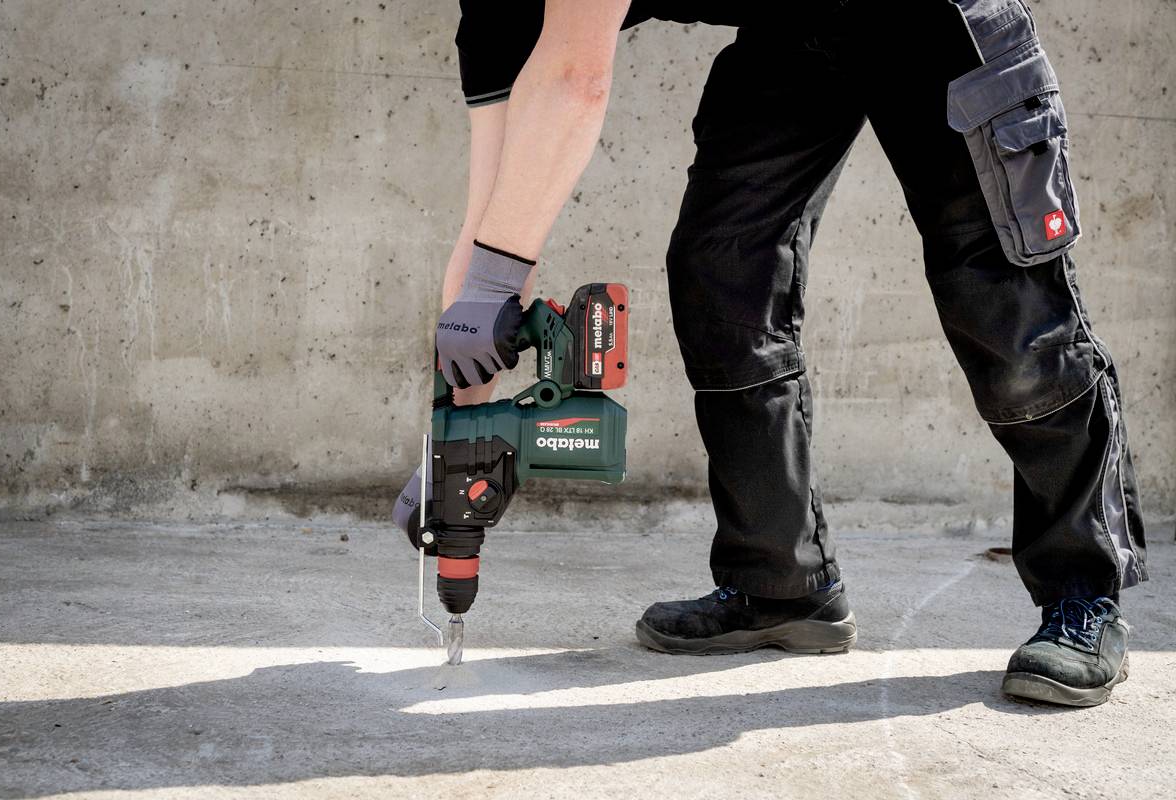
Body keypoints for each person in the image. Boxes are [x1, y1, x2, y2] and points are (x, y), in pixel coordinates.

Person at [394, 0, 1147, 707]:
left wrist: (494, 284)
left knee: (1005, 313)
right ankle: (780, 581)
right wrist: (458, 439)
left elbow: (574, 82)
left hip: (931, 18)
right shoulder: (489, 11)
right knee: (722, 272)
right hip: (795, 23)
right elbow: (488, 221)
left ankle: (1086, 593)